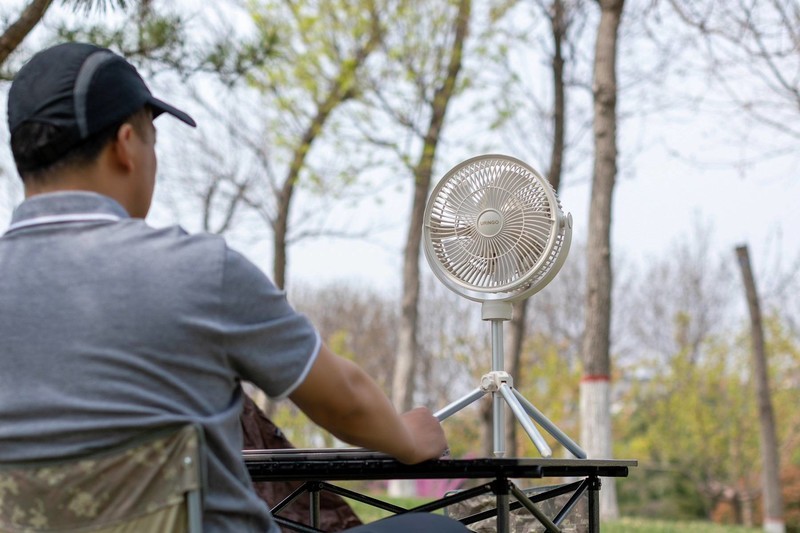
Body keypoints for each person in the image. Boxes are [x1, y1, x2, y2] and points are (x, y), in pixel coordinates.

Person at [0, 42, 468, 532]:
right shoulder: (197, 273)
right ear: (124, 145)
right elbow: (343, 398)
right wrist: (408, 438)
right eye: (151, 140)